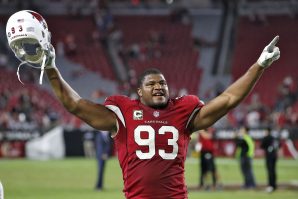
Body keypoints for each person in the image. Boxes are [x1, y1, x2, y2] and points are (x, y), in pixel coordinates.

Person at [8, 12, 280, 197]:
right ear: (138, 91)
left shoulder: (182, 111)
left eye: (162, 83)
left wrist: (260, 65)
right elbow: (76, 105)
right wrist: (52, 68)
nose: (159, 86)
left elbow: (229, 99)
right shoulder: (123, 113)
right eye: (151, 84)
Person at [260, 127, 281, 193]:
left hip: (269, 156)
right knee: (273, 170)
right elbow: (279, 145)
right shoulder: (274, 138)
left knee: (270, 171)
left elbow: (262, 146)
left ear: (267, 131)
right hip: (274, 156)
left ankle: (270, 186)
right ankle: (274, 185)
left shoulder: (266, 138)